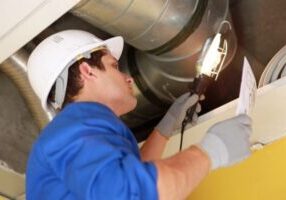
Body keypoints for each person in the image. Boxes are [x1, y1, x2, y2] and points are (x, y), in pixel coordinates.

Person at [26, 30, 252, 200]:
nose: (128, 78)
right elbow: (127, 191)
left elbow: (125, 175)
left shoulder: (77, 131)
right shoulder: (73, 127)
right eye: (114, 66)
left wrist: (166, 127)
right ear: (87, 71)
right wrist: (210, 151)